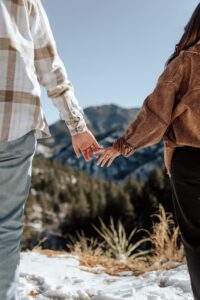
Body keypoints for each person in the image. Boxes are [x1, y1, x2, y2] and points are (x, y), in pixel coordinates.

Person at [96, 3, 200, 300]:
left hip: (192, 163)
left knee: (196, 243)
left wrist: (123, 146)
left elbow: (156, 115)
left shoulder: (187, 60)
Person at [0, 0, 99, 299]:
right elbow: (50, 66)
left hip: (18, 126)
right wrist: (77, 126)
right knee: (6, 230)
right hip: (15, 122)